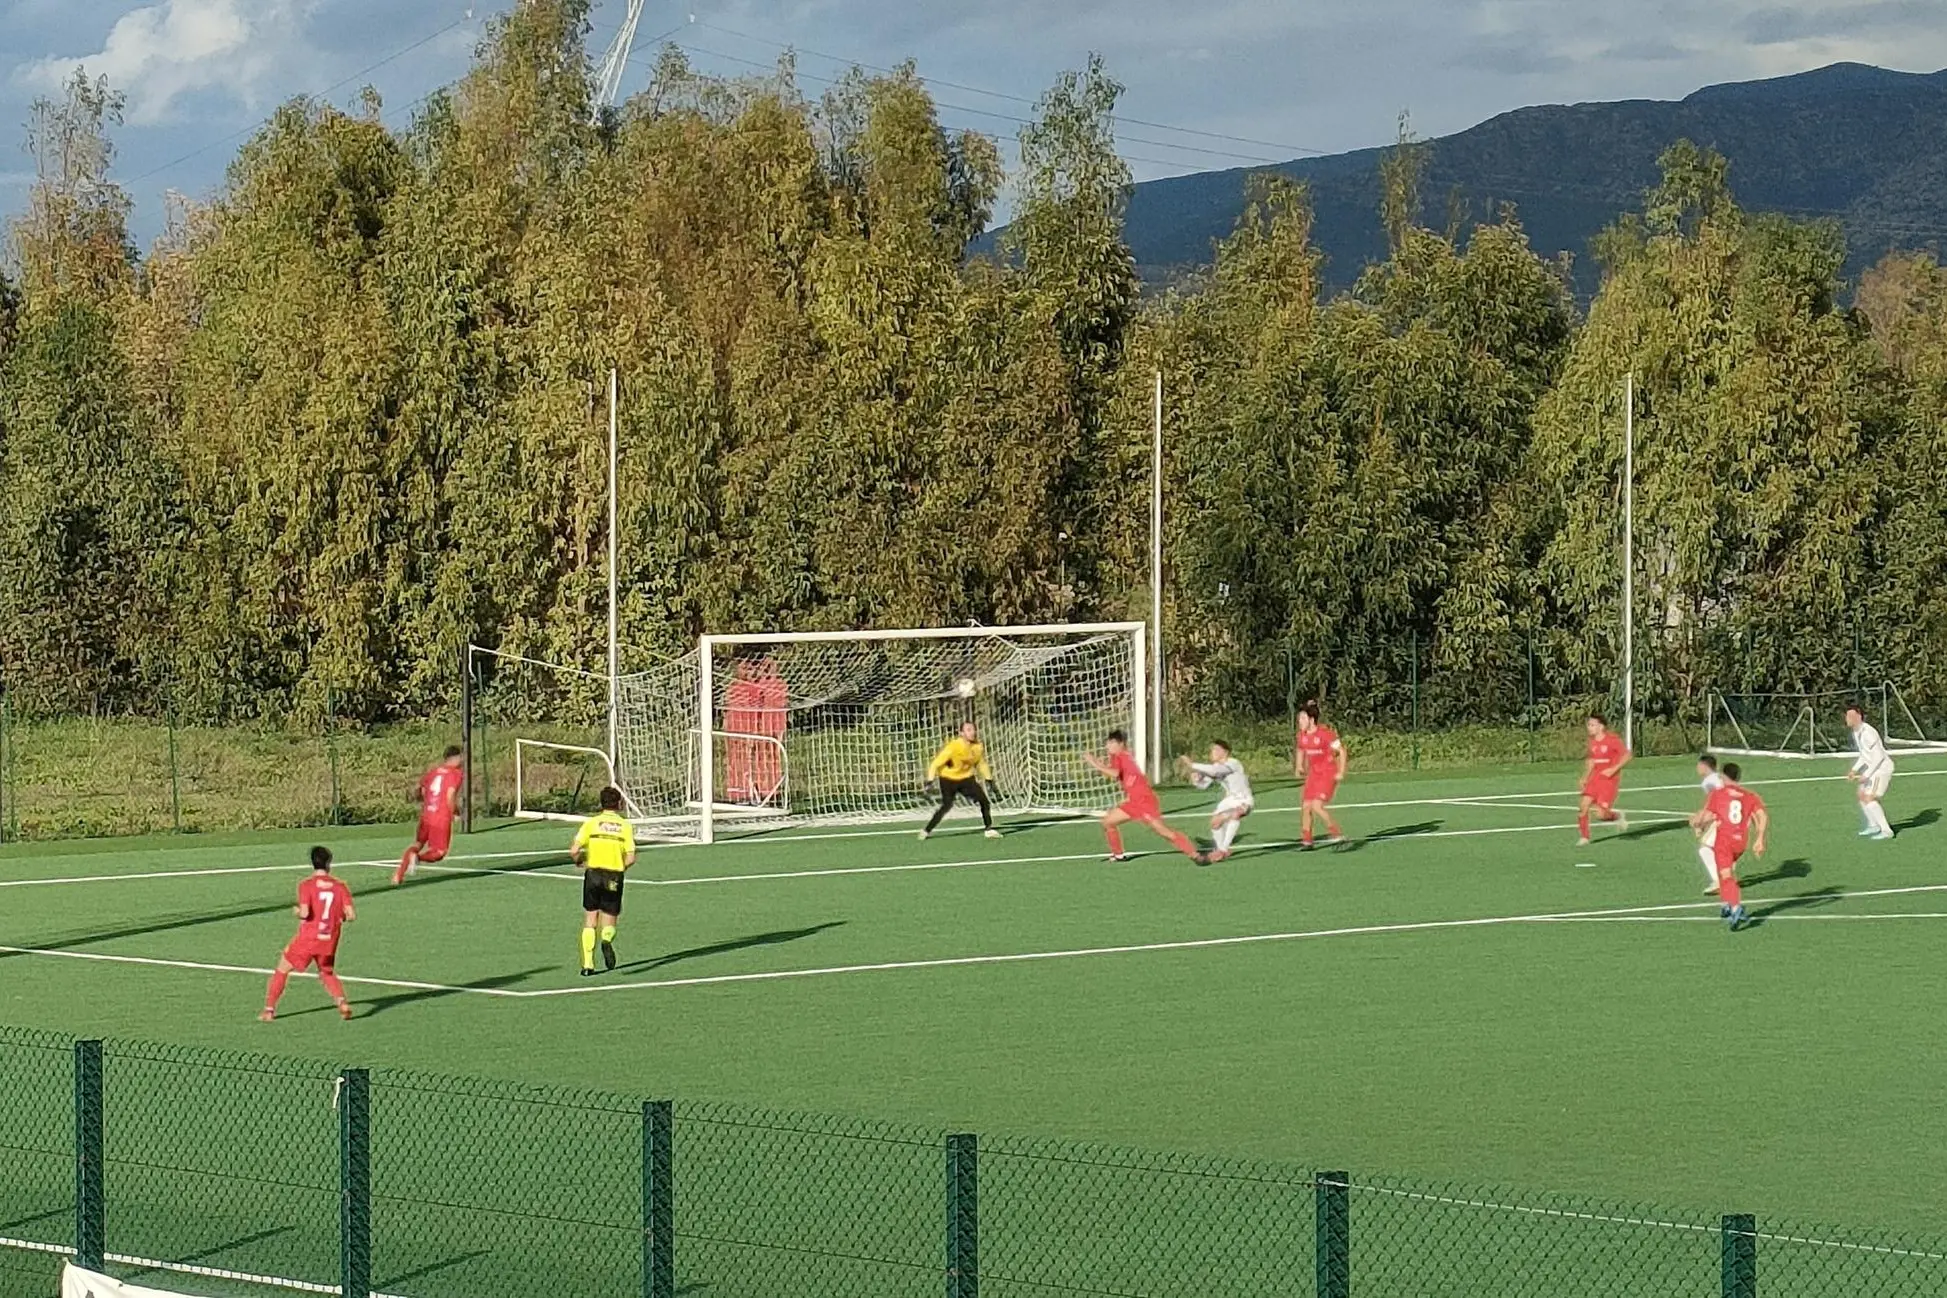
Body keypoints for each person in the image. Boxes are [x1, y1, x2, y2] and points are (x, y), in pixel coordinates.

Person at [1083, 731, 1206, 864]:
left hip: (1144, 801)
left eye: (1112, 742)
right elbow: (1117, 775)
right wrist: (1100, 765)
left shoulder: (1123, 756)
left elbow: (1114, 773)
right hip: (1134, 801)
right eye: (1108, 742)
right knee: (1108, 822)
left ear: (1121, 744)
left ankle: (1194, 854)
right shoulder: (1116, 757)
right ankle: (1118, 855)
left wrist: (1094, 763)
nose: (1108, 745)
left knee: (1163, 832)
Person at [261, 847, 355, 1022]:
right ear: (329, 863)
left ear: (312, 862)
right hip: (329, 940)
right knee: (327, 972)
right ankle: (342, 1002)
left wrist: (296, 911)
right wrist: (337, 916)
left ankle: (269, 1010)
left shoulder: (306, 885)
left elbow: (305, 913)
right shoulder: (340, 887)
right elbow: (351, 915)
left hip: (309, 939)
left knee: (282, 969)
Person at [572, 786, 637, 977]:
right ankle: (607, 940)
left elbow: (574, 850)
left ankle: (587, 965)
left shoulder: (591, 823)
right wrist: (619, 868)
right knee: (609, 918)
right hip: (613, 875)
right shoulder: (624, 826)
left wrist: (579, 862)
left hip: (593, 875)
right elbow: (631, 857)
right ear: (619, 804)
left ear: (601, 803)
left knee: (590, 919)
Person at [1697, 762, 1767, 931]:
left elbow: (1707, 816)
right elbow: (1762, 816)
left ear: (1724, 777)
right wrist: (1760, 839)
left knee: (1726, 876)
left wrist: (1697, 823)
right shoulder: (1750, 796)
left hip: (1724, 841)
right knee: (1724, 871)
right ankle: (1727, 903)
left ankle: (1736, 907)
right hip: (1740, 842)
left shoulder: (1718, 794)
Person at [394, 745, 465, 885]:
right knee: (439, 852)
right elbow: (450, 795)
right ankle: (418, 858)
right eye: (461, 757)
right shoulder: (455, 773)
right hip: (441, 817)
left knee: (417, 843)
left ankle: (398, 876)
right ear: (455, 758)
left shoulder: (433, 772)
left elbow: (422, 790)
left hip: (427, 814)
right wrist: (455, 812)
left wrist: (428, 803)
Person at [921, 721, 1003, 840]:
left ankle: (988, 829)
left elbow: (981, 764)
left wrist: (989, 780)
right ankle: (927, 830)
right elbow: (935, 764)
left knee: (984, 801)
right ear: (961, 733)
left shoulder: (978, 746)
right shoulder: (953, 746)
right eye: (968, 730)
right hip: (948, 779)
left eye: (973, 729)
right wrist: (929, 782)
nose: (972, 732)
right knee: (947, 805)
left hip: (966, 779)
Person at [1177, 740, 1252, 862]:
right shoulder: (1216, 767)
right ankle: (1222, 849)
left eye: (1216, 749)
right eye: (1212, 749)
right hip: (1229, 800)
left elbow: (1215, 771)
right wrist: (1196, 779)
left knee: (1235, 814)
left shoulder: (1233, 763)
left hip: (1244, 799)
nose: (1213, 752)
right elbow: (1203, 785)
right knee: (1215, 823)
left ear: (1225, 752)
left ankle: (1222, 850)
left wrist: (1192, 764)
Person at [1294, 702, 1346, 849]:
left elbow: (1341, 751)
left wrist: (1341, 771)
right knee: (1306, 807)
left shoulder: (1325, 734)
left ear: (1311, 720)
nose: (1300, 722)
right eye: (1299, 719)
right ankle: (1307, 840)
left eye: (1303, 719)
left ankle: (1336, 834)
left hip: (1328, 773)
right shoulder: (1302, 736)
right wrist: (1299, 766)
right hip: (1313, 775)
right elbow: (1300, 750)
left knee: (1316, 805)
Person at [1577, 714, 1630, 845]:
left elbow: (1627, 755)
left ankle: (1617, 816)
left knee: (1601, 815)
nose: (1589, 728)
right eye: (1588, 725)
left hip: (1608, 781)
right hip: (1594, 779)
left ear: (1601, 726)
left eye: (1592, 725)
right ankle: (1585, 837)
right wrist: (1585, 777)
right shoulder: (1592, 742)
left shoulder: (1612, 740)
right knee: (1583, 807)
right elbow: (1591, 761)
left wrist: (1614, 769)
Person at [1847, 705, 1896, 841]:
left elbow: (1879, 757)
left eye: (1851, 716)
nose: (1848, 719)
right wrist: (1854, 770)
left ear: (1859, 716)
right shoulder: (1856, 732)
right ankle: (1874, 825)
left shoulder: (1868, 733)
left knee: (1870, 798)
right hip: (1873, 769)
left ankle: (1886, 831)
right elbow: (1864, 754)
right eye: (1847, 716)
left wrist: (1867, 774)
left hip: (1881, 770)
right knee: (1861, 795)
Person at [1688, 754, 1727, 894]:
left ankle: (1719, 881)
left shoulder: (1709, 782)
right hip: (1735, 818)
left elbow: (1715, 803)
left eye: (1699, 765)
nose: (1697, 768)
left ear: (1704, 766)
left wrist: (1700, 822)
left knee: (1704, 849)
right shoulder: (1721, 778)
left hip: (1724, 819)